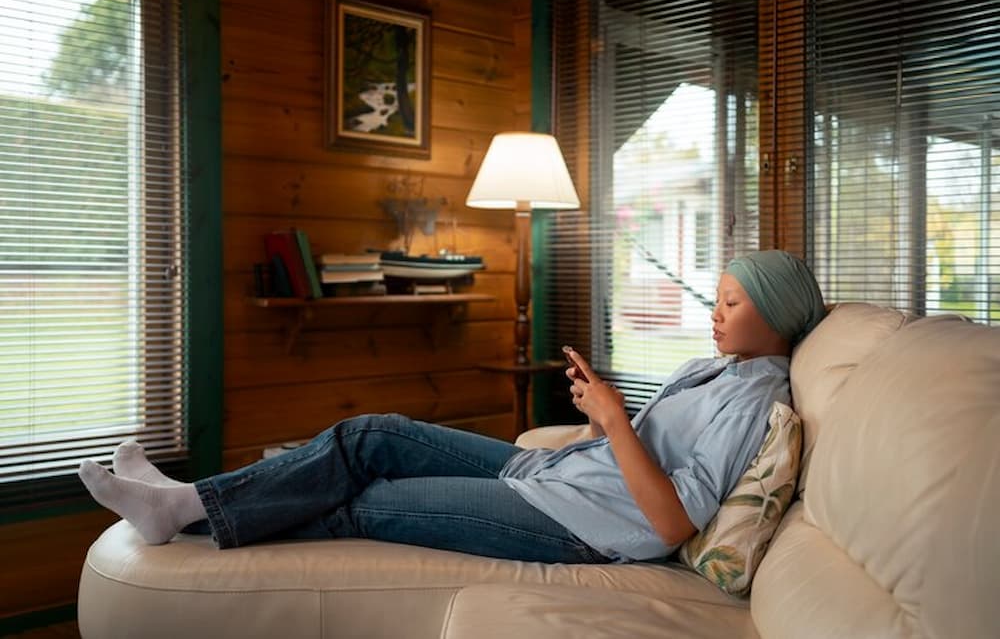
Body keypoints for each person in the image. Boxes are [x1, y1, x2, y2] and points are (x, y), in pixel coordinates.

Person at [79, 249, 826, 564]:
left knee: (370, 498)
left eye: (732, 301)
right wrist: (597, 422)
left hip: (589, 525)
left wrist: (614, 421)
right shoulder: (712, 367)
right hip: (562, 472)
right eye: (719, 298)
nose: (716, 312)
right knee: (372, 434)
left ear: (778, 312)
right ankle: (181, 501)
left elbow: (670, 522)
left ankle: (180, 509)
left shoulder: (758, 396)